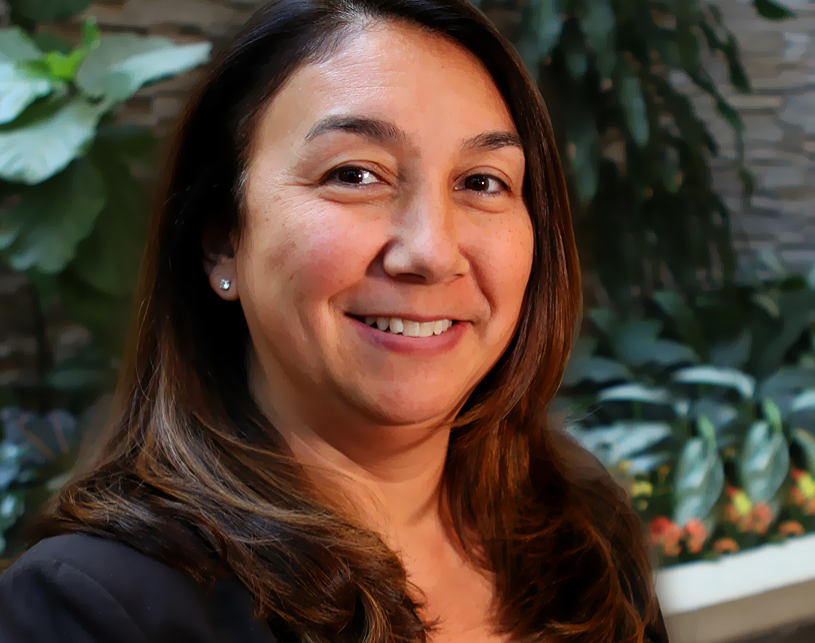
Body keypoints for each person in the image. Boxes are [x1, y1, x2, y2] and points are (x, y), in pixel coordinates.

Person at [0, 1, 668, 641]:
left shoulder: (582, 534)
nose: (431, 252)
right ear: (223, 240)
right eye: (354, 174)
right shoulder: (95, 607)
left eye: (482, 181)